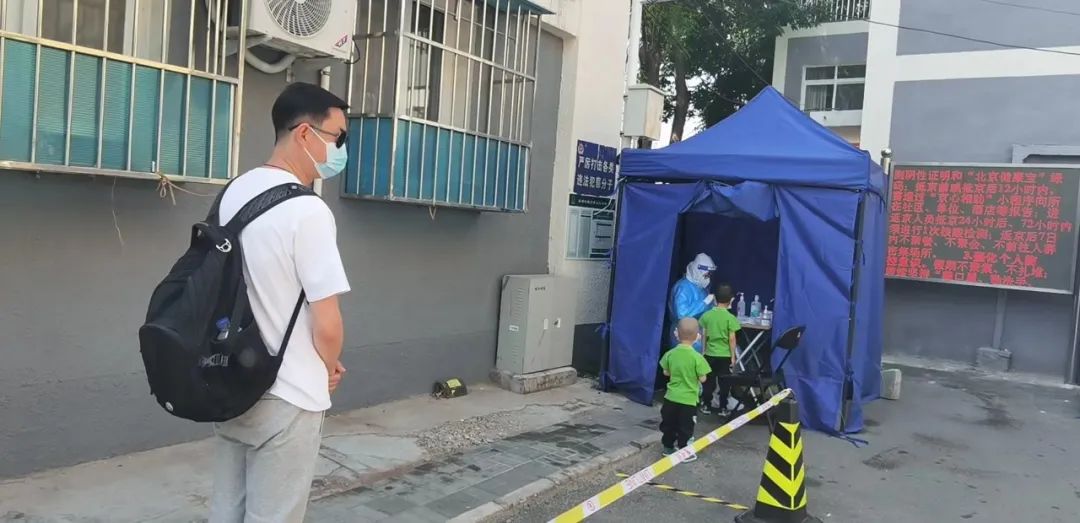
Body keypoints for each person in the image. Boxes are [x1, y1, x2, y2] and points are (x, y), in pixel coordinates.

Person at [209, 82, 352, 523]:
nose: (341, 150)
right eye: (338, 137)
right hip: (288, 392)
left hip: (231, 378)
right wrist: (329, 366)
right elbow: (327, 322)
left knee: (227, 511)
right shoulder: (308, 211)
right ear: (305, 134)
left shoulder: (234, 192)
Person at [659, 318, 712, 461]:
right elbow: (703, 378)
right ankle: (684, 451)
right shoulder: (697, 357)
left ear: (676, 334)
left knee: (669, 424)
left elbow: (666, 372)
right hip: (688, 400)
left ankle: (668, 447)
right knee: (686, 427)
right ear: (698, 336)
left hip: (671, 397)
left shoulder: (670, 354)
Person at [698, 283, 741, 416]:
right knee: (724, 383)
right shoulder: (731, 318)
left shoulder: (707, 315)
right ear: (731, 300)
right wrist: (733, 356)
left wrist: (703, 351)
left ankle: (706, 405)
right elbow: (732, 339)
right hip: (725, 356)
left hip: (709, 354)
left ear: (715, 298)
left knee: (708, 382)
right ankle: (723, 407)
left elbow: (704, 335)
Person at [668, 253, 717, 353]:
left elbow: (708, 312)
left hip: (700, 333)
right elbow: (681, 314)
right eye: (707, 275)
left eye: (710, 275)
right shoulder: (683, 287)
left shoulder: (702, 288)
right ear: (698, 271)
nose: (708, 278)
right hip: (683, 335)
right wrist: (704, 303)